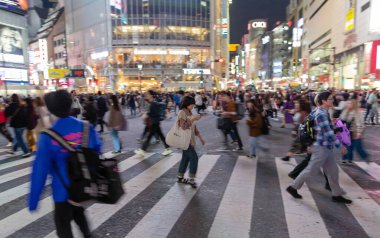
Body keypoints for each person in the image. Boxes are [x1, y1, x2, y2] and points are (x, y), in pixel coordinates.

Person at [29, 90, 101, 238]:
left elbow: (39, 171)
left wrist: (34, 200)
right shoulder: (87, 127)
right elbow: (96, 151)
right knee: (80, 215)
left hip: (62, 190)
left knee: (63, 227)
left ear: (50, 109)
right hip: (83, 184)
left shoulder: (47, 136)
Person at [286, 91, 352, 204]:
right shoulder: (321, 114)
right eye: (330, 99)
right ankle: (293, 187)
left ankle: (336, 194)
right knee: (310, 170)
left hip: (326, 147)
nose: (333, 100)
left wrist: (331, 122)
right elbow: (329, 134)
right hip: (321, 148)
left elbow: (321, 127)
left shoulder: (320, 111)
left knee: (333, 171)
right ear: (324, 101)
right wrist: (340, 146)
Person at [176, 96, 205, 188]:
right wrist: (192, 119)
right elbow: (183, 126)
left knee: (186, 158)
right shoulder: (181, 112)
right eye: (192, 104)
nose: (193, 106)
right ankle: (192, 179)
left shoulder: (189, 112)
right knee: (194, 158)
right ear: (187, 104)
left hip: (190, 140)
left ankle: (180, 176)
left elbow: (193, 126)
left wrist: (200, 137)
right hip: (184, 140)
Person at [134, 90, 172, 157]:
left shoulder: (154, 103)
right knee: (161, 135)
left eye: (147, 94)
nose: (146, 95)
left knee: (149, 136)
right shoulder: (151, 103)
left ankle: (142, 150)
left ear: (151, 95)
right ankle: (168, 148)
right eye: (146, 94)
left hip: (154, 122)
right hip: (155, 122)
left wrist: (147, 114)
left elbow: (155, 113)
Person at [340, 98, 369, 163]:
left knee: (357, 147)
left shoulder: (358, 113)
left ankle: (365, 157)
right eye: (348, 103)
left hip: (355, 132)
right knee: (347, 146)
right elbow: (342, 119)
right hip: (346, 132)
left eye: (350, 103)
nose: (348, 105)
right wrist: (346, 111)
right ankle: (346, 159)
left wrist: (359, 133)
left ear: (354, 104)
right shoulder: (345, 111)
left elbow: (361, 124)